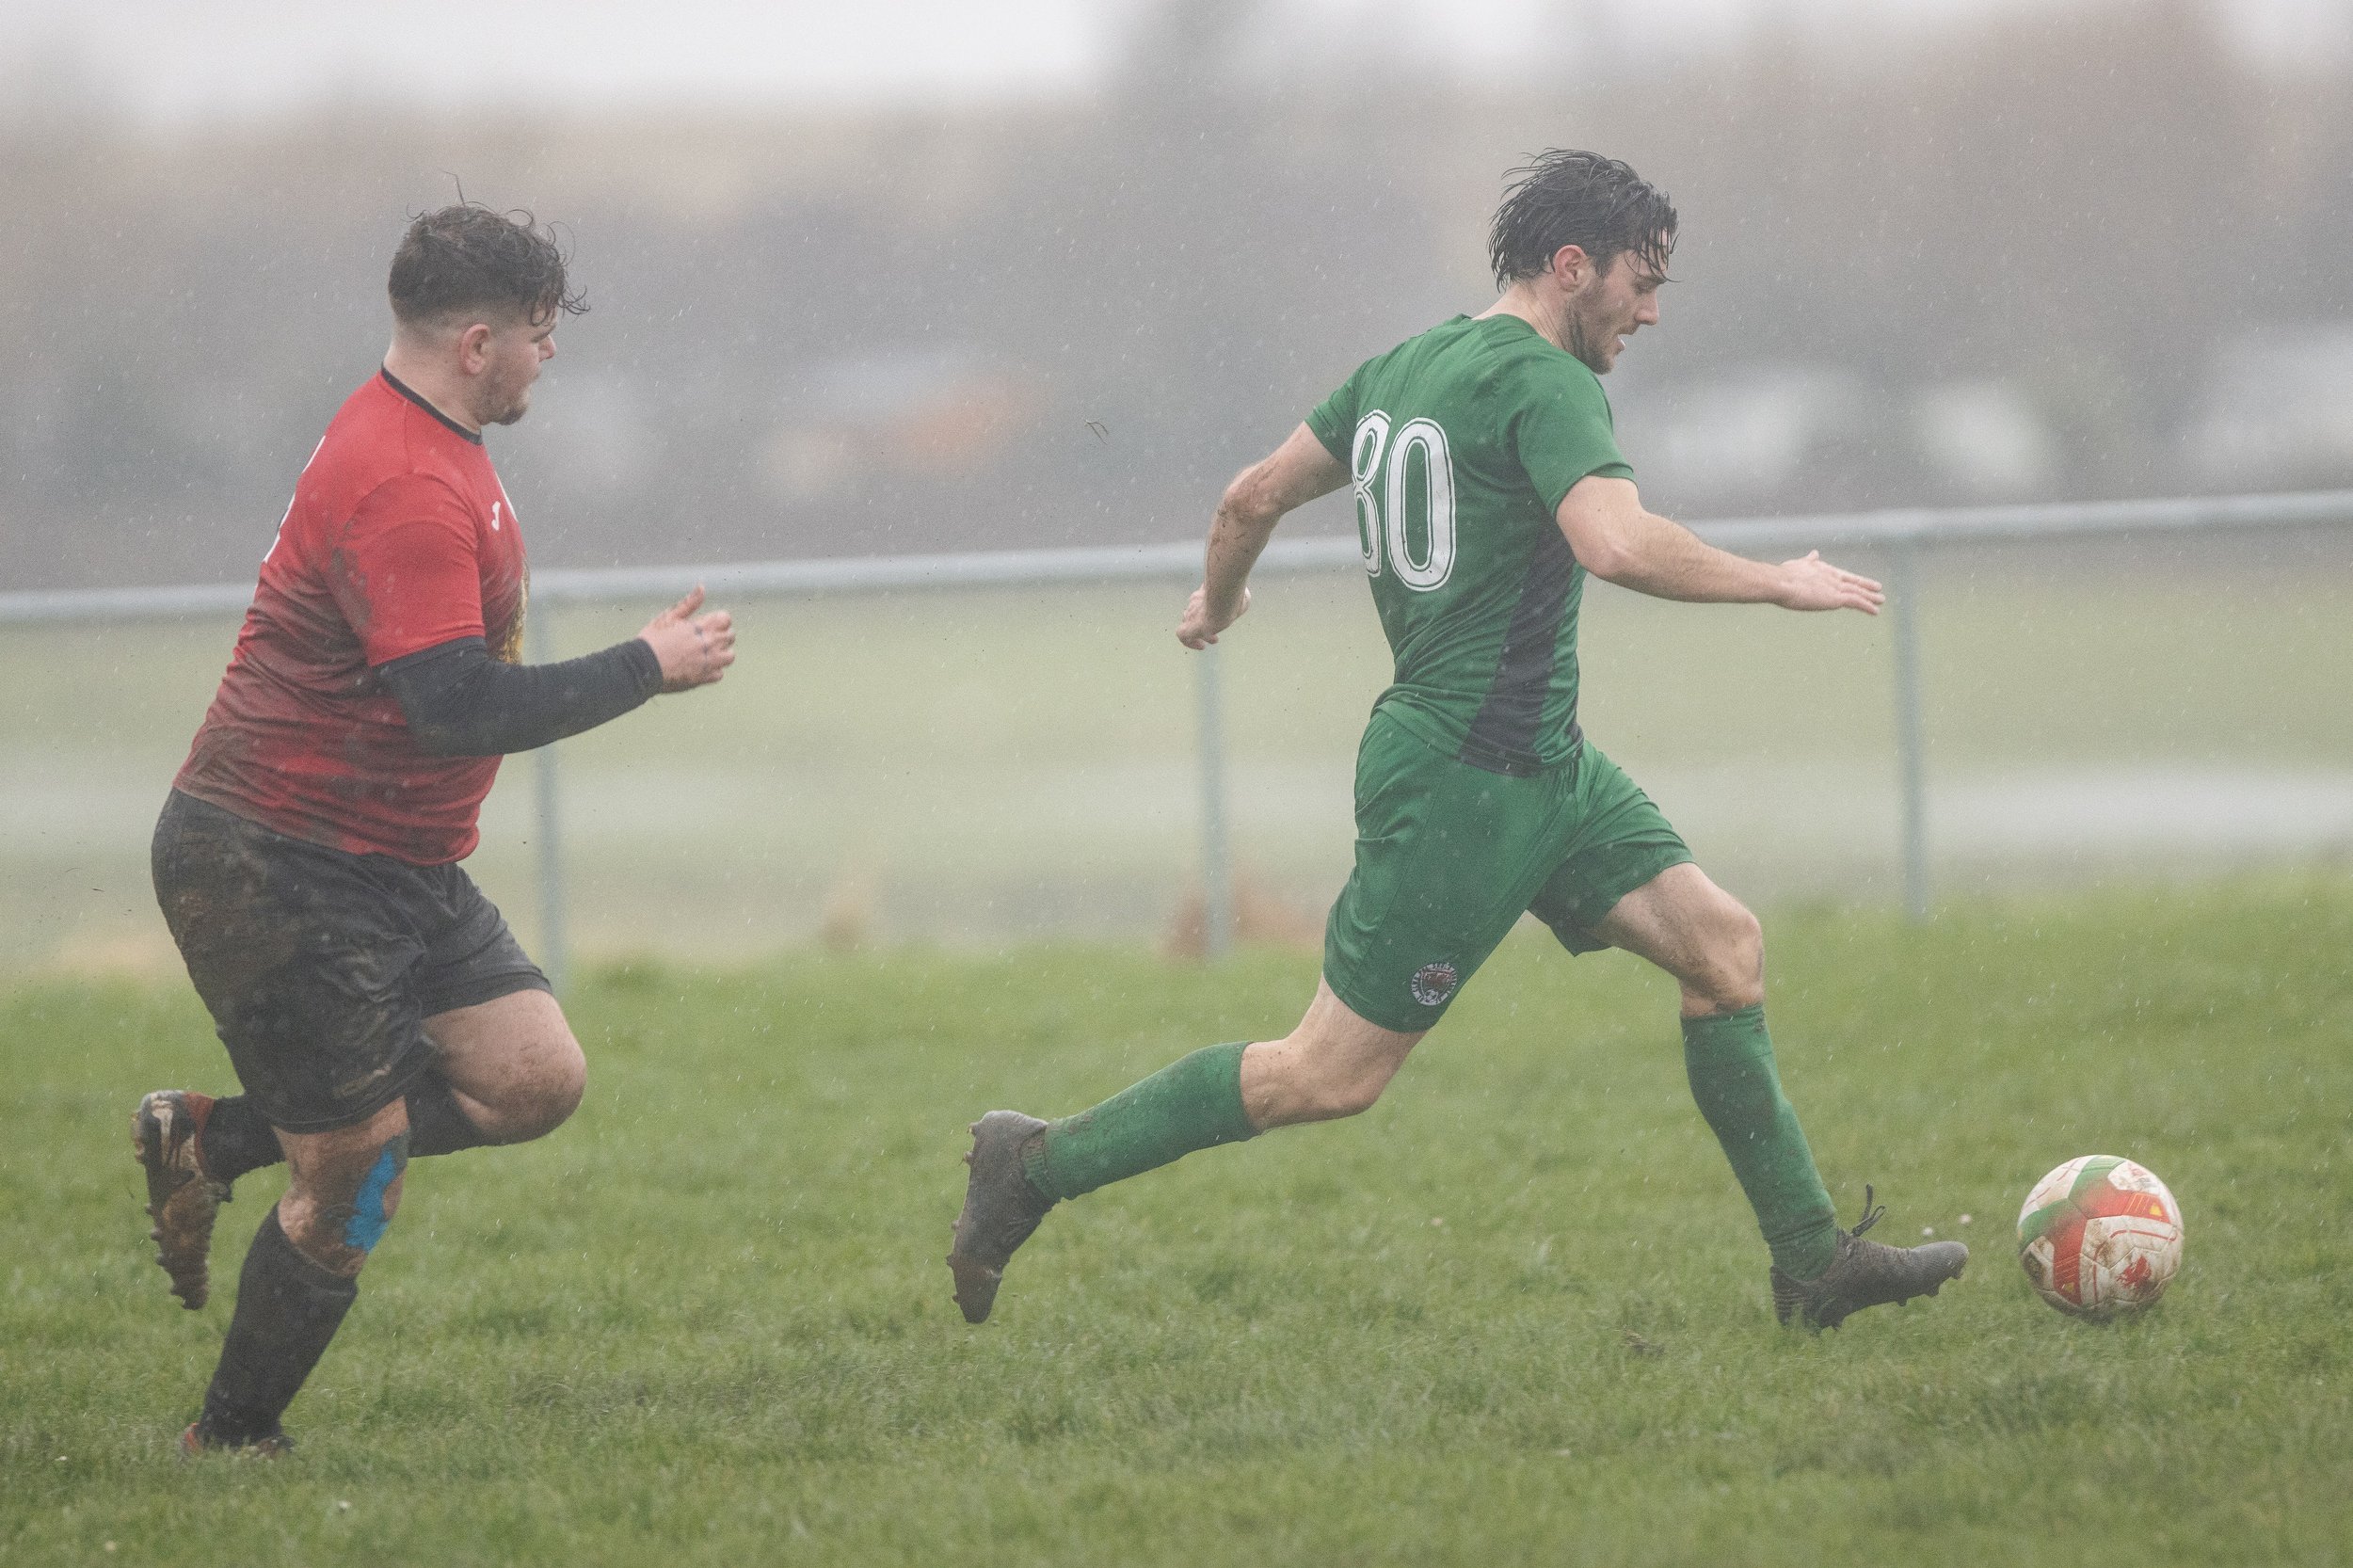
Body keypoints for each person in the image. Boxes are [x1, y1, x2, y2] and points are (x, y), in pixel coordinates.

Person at [949, 150, 1967, 1332]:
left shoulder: (1402, 367)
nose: (1647, 312)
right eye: (1640, 284)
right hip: (1463, 783)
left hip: (1546, 767)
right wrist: (1776, 581)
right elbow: (1617, 544)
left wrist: (1218, 603)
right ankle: (1032, 1167)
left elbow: (1247, 499)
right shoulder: (1546, 383)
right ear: (1569, 265)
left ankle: (1811, 1267)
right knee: (1325, 1075)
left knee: (1722, 948)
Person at [135, 204, 736, 1455]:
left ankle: (214, 1136)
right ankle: (231, 1437)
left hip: (388, 860)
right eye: (536, 335)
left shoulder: (436, 436)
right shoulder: (407, 482)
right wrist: (647, 663)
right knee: (357, 1169)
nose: (547, 357)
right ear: (476, 343)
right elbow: (456, 707)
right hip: (275, 865)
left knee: (532, 1075)